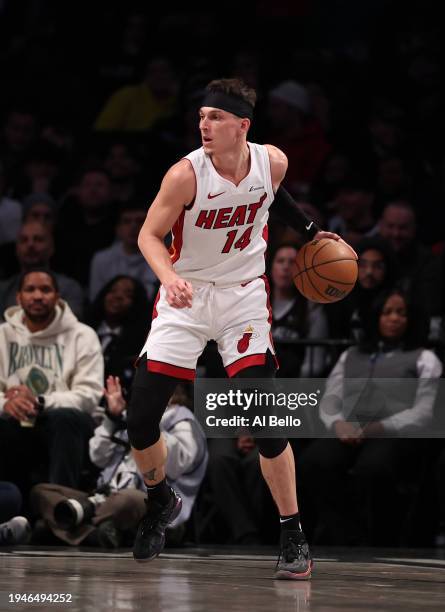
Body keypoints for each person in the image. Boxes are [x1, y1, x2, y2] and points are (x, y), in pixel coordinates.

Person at [127, 77, 353, 579]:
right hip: (185, 294)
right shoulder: (185, 175)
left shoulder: (272, 161)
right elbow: (148, 234)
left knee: (265, 416)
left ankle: (293, 533)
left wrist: (313, 232)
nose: (204, 125)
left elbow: (276, 197)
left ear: (241, 127)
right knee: (140, 420)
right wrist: (168, 277)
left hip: (242, 296)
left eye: (216, 118)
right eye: (201, 116)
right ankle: (161, 500)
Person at [299, 288, 442, 546]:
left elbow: (422, 412)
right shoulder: (350, 355)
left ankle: (379, 539)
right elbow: (331, 399)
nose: (394, 318)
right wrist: (338, 423)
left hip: (393, 433)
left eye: (401, 313)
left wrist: (380, 427)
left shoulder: (425, 358)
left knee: (372, 469)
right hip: (349, 428)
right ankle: (346, 537)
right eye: (387, 312)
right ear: (376, 317)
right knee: (314, 462)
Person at [30, 377, 208, 548]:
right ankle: (99, 533)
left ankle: (70, 526)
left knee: (127, 500)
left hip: (150, 504)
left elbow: (174, 465)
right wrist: (112, 418)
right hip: (104, 497)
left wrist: (148, 424)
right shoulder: (132, 415)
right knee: (41, 492)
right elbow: (98, 457)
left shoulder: (184, 421)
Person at [0, 269, 103, 492]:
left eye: (45, 290)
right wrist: (5, 404)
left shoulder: (82, 335)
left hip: (68, 424)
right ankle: (11, 513)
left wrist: (40, 401)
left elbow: (90, 395)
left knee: (64, 418)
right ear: (19, 298)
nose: (38, 296)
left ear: (57, 297)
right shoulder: (3, 335)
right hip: (15, 419)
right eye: (30, 289)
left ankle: (60, 510)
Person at [0, 221, 85, 321]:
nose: (30, 245)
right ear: (16, 249)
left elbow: (70, 323)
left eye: (38, 240)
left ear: (51, 247)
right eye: (24, 240)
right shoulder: (3, 289)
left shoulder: (69, 288)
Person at [269, 243, 328, 377]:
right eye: (280, 261)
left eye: (292, 263)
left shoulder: (311, 308)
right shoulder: (256, 304)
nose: (285, 267)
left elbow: (316, 362)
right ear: (271, 267)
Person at [87, 275, 151, 391]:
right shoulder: (85, 330)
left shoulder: (141, 343)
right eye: (113, 291)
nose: (118, 296)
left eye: (128, 294)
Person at [89, 202, 158, 302]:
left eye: (140, 221)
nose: (133, 226)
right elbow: (96, 300)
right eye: (126, 221)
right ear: (118, 229)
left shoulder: (162, 258)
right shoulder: (101, 259)